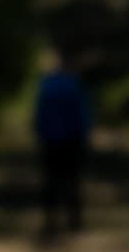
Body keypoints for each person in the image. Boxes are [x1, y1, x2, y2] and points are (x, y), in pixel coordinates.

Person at [32, 50, 92, 239]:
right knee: (72, 180)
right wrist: (84, 136)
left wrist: (40, 133)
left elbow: (39, 115)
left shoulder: (46, 86)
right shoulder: (74, 85)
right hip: (72, 140)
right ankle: (74, 221)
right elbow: (82, 114)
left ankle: (51, 221)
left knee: (51, 181)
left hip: (50, 140)